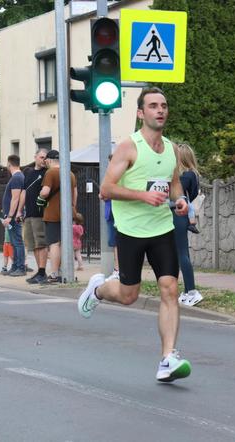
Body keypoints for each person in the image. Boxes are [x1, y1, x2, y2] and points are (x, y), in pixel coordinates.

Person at [77, 87, 192, 383]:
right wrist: (142, 195)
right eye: (153, 105)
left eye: (164, 105)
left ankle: (168, 357)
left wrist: (180, 201)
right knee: (129, 295)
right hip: (130, 232)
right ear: (141, 113)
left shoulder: (171, 149)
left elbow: (174, 183)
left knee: (169, 289)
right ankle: (99, 289)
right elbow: (106, 190)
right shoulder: (129, 147)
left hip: (162, 229)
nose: (160, 110)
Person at [38, 149, 77, 283]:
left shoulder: (50, 172)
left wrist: (40, 196)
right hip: (67, 214)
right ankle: (65, 271)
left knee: (54, 244)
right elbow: (75, 195)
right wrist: (72, 209)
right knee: (65, 243)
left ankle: (54, 273)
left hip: (53, 213)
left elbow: (45, 192)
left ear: (48, 160)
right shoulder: (70, 173)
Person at [173, 143, 203, 307]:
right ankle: (186, 291)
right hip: (183, 216)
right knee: (181, 253)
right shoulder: (193, 175)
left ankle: (191, 291)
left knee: (181, 254)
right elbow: (191, 196)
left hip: (177, 215)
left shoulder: (181, 177)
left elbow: (176, 195)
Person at [20, 148, 49, 284]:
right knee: (34, 245)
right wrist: (20, 211)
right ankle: (39, 271)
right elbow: (24, 192)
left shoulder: (47, 173)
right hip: (29, 213)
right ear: (35, 157)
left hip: (40, 214)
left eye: (45, 158)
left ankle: (43, 272)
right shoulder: (29, 173)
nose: (43, 160)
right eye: (41, 157)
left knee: (41, 243)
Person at [1, 154, 26, 276]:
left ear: (9, 164)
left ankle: (20, 267)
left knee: (17, 241)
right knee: (13, 241)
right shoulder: (19, 177)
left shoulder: (16, 178)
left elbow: (15, 198)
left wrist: (10, 216)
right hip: (13, 215)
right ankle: (15, 266)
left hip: (14, 216)